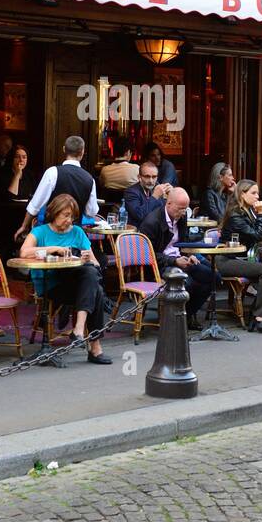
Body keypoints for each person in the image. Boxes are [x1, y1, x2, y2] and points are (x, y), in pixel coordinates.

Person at [19, 194, 114, 362]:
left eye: (72, 216)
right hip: (51, 285)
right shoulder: (40, 231)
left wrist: (86, 258)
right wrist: (54, 248)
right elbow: (24, 252)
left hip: (77, 285)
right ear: (54, 213)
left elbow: (96, 264)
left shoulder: (77, 232)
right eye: (66, 215)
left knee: (91, 276)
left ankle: (79, 329)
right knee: (94, 287)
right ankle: (94, 346)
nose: (69, 220)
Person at [139, 188, 216, 327]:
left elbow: (183, 242)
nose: (182, 212)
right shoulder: (152, 222)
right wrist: (174, 261)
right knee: (188, 282)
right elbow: (147, 255)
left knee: (213, 276)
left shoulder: (182, 217)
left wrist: (189, 255)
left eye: (185, 209)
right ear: (168, 204)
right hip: (160, 265)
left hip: (180, 259)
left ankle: (188, 314)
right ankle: (178, 319)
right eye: (180, 208)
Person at [220, 179, 262, 331]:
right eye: (253, 193)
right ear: (242, 194)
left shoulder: (249, 212)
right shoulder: (236, 214)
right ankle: (259, 316)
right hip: (228, 259)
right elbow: (256, 236)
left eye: (257, 193)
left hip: (244, 258)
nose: (257, 197)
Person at [17, 136, 100, 241]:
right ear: (82, 152)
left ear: (64, 149)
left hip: (50, 236)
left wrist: (24, 226)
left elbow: (35, 205)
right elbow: (91, 212)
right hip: (74, 237)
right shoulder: (90, 179)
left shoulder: (52, 172)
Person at [123, 161, 169, 227]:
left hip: (157, 230)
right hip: (139, 232)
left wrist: (172, 196)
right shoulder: (131, 192)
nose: (151, 181)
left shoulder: (158, 188)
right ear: (139, 177)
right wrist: (155, 196)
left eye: (154, 177)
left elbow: (166, 212)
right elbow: (139, 215)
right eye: (147, 176)